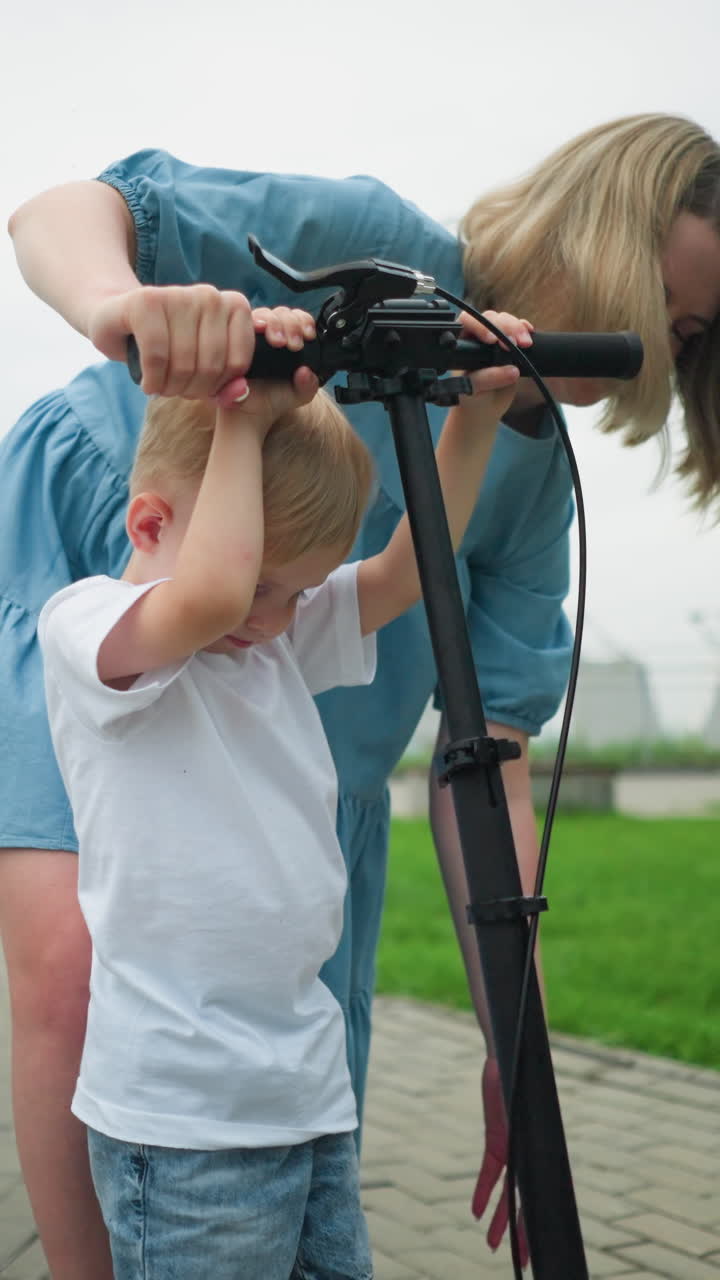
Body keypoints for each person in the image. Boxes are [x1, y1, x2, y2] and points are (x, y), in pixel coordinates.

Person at [2, 112, 720, 1278]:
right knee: (79, 966)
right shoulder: (375, 251)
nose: (655, 350)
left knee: (298, 1013)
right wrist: (121, 307)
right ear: (603, 240)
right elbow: (59, 215)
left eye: (685, 336)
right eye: (658, 306)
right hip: (150, 539)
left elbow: (469, 723)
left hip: (282, 671)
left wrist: (514, 1042)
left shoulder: (518, 483)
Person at [37, 297, 531, 1280]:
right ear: (150, 520)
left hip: (302, 1089)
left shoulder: (263, 642)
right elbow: (217, 591)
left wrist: (475, 415)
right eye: (274, 587)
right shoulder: (93, 629)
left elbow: (401, 577)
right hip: (184, 1118)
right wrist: (240, 414)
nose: (278, 617)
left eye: (300, 594)